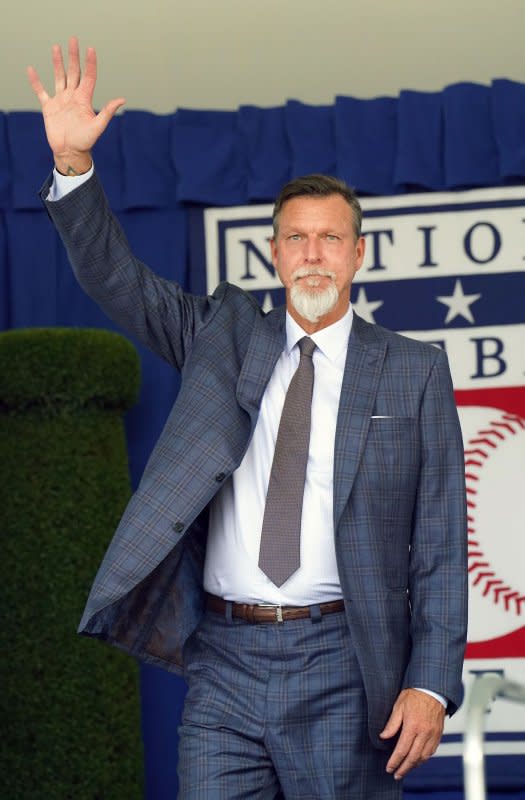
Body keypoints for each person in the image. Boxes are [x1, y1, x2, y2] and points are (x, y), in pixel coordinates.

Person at [28, 38, 468, 799]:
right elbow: (115, 280)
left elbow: (437, 542)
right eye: (295, 238)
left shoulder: (412, 370)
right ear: (273, 255)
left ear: (358, 254)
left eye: (329, 238)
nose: (312, 255)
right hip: (224, 659)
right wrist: (73, 167)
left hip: (343, 658)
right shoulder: (221, 334)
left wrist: (430, 683)